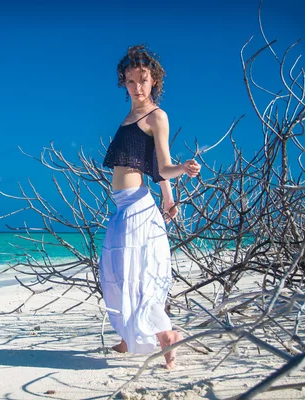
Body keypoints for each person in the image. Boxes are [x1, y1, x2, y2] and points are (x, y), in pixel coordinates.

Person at [100, 44, 201, 369]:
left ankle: (165, 336)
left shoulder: (157, 116)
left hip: (136, 208)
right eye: (130, 81)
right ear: (124, 83)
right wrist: (168, 198)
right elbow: (154, 169)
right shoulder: (130, 116)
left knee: (137, 275)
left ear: (154, 80)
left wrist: (182, 170)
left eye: (142, 79)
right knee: (119, 273)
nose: (137, 86)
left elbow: (163, 166)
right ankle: (129, 336)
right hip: (124, 208)